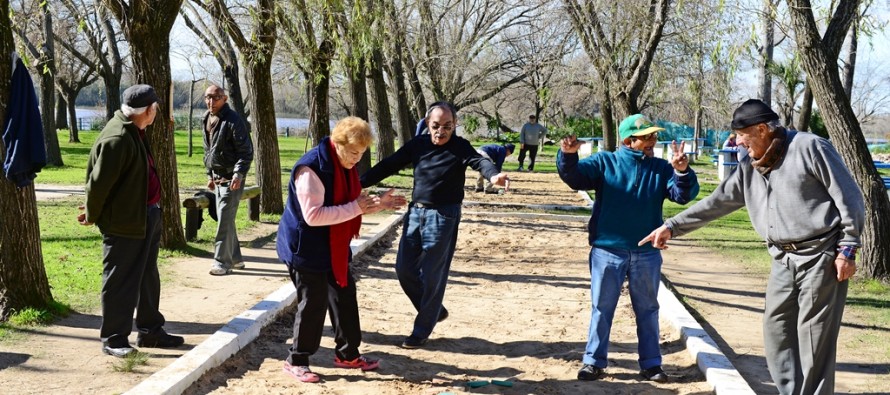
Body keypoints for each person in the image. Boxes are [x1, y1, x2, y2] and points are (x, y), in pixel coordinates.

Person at [639, 99, 865, 395]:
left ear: (762, 129)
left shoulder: (810, 147)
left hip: (820, 255)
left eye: (742, 136)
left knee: (815, 338)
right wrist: (672, 226)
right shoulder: (749, 165)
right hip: (782, 258)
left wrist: (848, 248)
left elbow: (850, 198)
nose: (738, 142)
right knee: (776, 332)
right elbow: (718, 201)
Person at [557, 114, 699, 383]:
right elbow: (575, 178)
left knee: (647, 309)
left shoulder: (660, 168)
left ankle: (651, 364)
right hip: (607, 251)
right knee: (602, 307)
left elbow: (682, 196)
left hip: (646, 253)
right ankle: (593, 362)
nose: (652, 141)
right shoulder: (604, 162)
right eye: (646, 137)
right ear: (628, 140)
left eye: (654, 136)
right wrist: (567, 155)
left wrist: (681, 171)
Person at [361, 101, 509, 349]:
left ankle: (421, 330)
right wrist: (358, 182)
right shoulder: (418, 145)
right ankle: (434, 311)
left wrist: (494, 175)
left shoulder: (460, 147)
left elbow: (480, 162)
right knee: (404, 269)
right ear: (428, 124)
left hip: (444, 216)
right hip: (416, 213)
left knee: (432, 275)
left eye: (447, 126)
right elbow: (389, 164)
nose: (441, 131)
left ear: (455, 125)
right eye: (436, 126)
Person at [277, 116, 406, 383]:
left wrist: (378, 204)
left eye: (361, 153)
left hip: (334, 245)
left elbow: (351, 201)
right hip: (306, 246)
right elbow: (314, 216)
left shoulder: (344, 164)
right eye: (354, 152)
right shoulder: (311, 169)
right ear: (338, 143)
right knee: (314, 301)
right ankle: (296, 360)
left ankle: (348, 354)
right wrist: (358, 208)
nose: (357, 159)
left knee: (344, 294)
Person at [79, 84, 184, 357]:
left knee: (147, 276)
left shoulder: (135, 131)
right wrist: (92, 215)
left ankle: (150, 331)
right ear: (147, 111)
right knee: (120, 280)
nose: (157, 112)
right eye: (155, 108)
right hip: (125, 223)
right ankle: (114, 339)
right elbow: (98, 184)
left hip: (146, 216)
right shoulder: (117, 138)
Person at [202, 84, 254, 276]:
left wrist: (238, 174)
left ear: (224, 99)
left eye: (216, 97)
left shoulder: (233, 120)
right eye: (208, 97)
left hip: (232, 179)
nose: (211, 101)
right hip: (217, 178)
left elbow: (246, 152)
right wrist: (209, 174)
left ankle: (221, 262)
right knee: (227, 220)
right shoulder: (206, 118)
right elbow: (208, 150)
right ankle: (236, 259)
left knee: (224, 219)